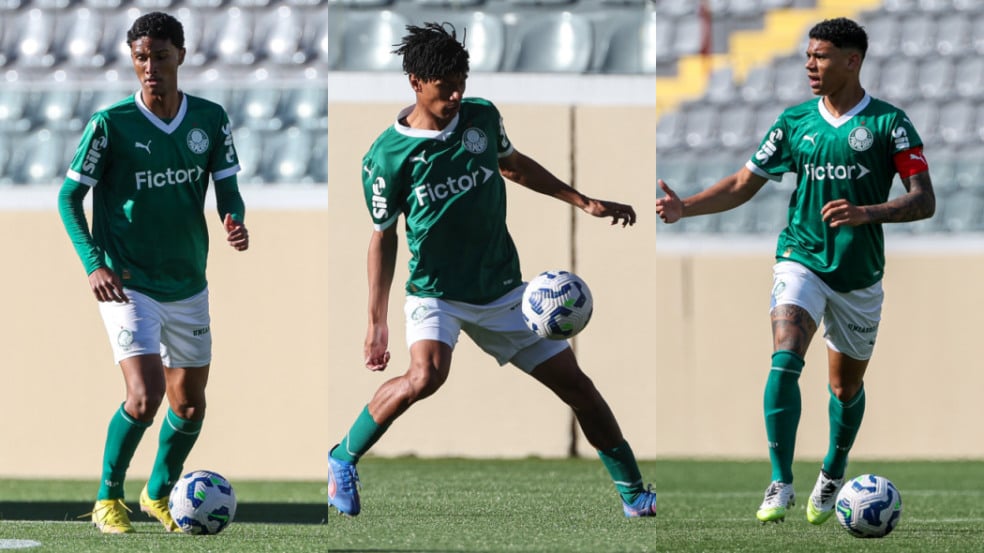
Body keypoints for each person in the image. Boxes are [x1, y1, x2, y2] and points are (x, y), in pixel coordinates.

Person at [326, 22, 656, 519]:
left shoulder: (481, 117)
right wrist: (376, 321)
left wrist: (584, 201)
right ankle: (342, 458)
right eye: (446, 87)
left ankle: (634, 494)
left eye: (462, 83)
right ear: (416, 82)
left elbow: (513, 165)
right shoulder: (386, 157)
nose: (457, 95)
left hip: (503, 291)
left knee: (579, 389)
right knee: (425, 376)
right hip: (436, 292)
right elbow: (383, 237)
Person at [655, 17, 935, 524]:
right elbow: (743, 183)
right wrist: (684, 208)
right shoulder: (794, 122)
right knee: (785, 354)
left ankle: (832, 471)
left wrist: (865, 212)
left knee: (844, 389)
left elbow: (924, 201)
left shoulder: (890, 124)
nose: (809, 64)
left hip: (858, 274)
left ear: (852, 60)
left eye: (820, 56)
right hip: (801, 258)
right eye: (808, 55)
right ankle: (780, 481)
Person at [57, 11, 249, 534]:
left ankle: (159, 493)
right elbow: (69, 197)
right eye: (141, 57)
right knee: (144, 397)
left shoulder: (209, 119)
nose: (150, 67)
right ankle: (107, 498)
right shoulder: (110, 124)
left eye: (160, 56)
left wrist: (234, 219)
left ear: (180, 56)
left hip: (187, 283)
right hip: (128, 283)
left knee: (189, 407)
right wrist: (94, 264)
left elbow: (228, 189)